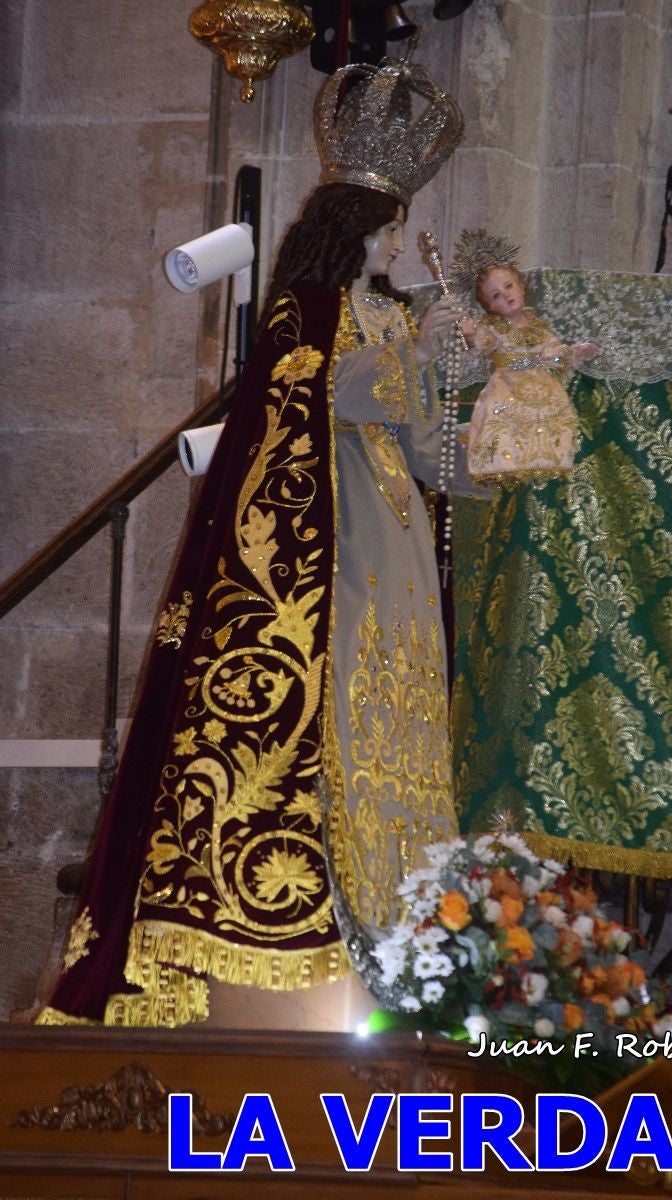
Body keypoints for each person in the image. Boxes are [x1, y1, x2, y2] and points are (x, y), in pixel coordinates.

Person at [37, 56, 467, 1027]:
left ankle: (410, 954)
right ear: (362, 229)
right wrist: (421, 345)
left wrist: (515, 420)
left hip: (398, 582)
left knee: (398, 753)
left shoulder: (388, 320)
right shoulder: (308, 312)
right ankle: (316, 935)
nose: (402, 245)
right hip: (334, 577)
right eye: (394, 228)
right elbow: (336, 397)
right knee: (333, 749)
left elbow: (434, 457)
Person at [452, 230, 599, 484]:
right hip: (506, 387)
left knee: (552, 422)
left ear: (521, 285)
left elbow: (553, 355)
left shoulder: (536, 324)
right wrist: (468, 334)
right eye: (496, 295)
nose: (506, 295)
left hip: (543, 386)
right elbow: (480, 343)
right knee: (506, 425)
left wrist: (575, 352)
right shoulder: (493, 327)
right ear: (490, 307)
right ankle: (507, 465)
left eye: (508, 286)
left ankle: (548, 461)